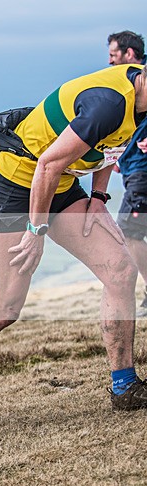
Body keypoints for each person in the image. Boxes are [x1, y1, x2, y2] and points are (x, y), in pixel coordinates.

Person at [0, 62, 147, 431]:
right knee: (5, 307)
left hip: (60, 186)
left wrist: (98, 197)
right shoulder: (110, 103)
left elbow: (110, 146)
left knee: (120, 271)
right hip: (17, 187)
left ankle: (124, 385)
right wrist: (36, 231)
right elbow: (46, 164)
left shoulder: (138, 101)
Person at [107, 31, 147, 309]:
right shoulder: (127, 82)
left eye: (113, 55)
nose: (110, 61)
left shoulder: (142, 78)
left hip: (142, 172)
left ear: (129, 54)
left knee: (129, 232)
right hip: (133, 169)